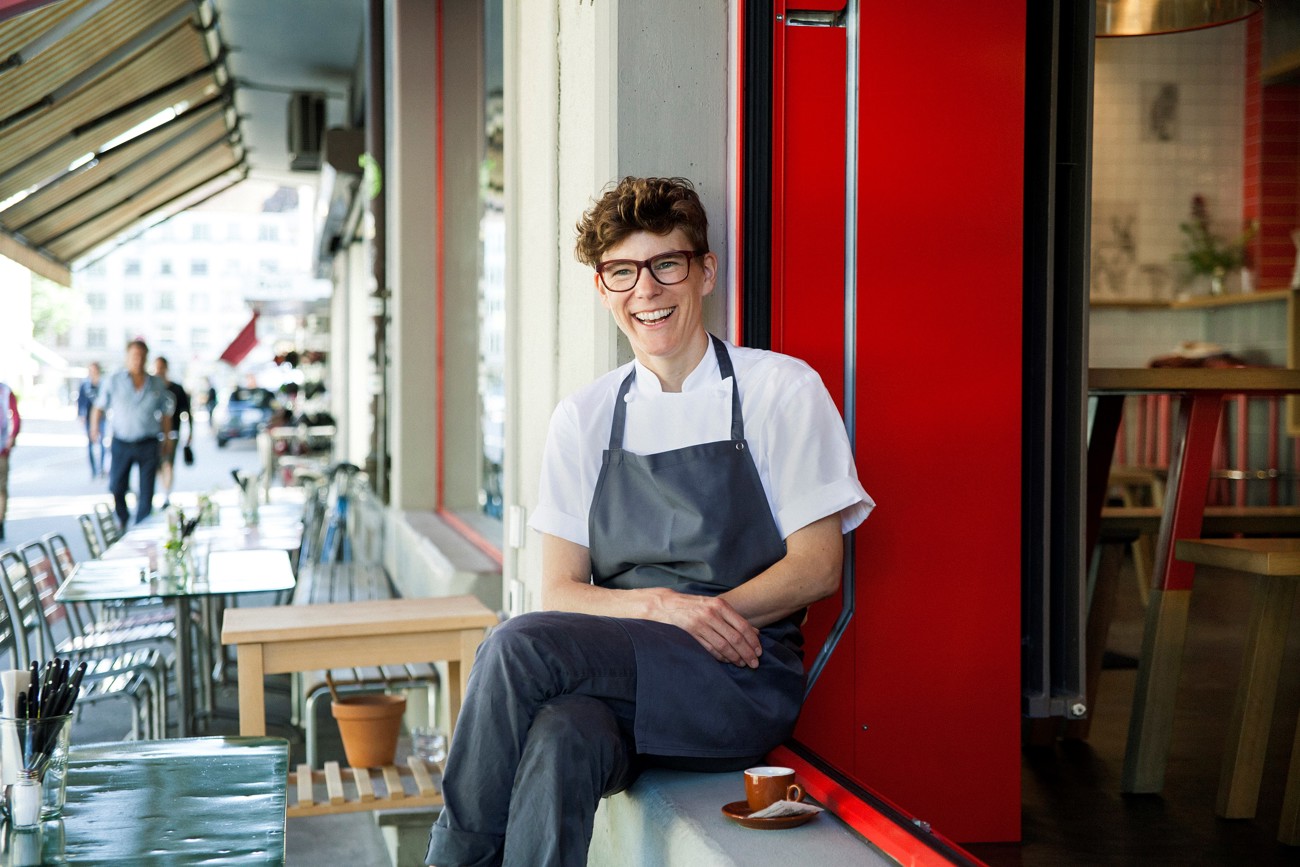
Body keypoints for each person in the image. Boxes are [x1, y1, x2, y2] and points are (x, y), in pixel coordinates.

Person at [425, 177, 874, 867]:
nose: (647, 290)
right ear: (603, 288)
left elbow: (818, 565)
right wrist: (667, 609)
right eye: (623, 272)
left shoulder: (780, 390)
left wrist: (706, 618)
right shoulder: (585, 417)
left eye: (667, 264)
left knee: (517, 647)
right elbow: (563, 590)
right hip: (624, 682)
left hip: (735, 679)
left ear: (704, 271)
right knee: (560, 735)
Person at [90, 339, 174, 527]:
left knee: (147, 491)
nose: (138, 360)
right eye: (135, 356)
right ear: (127, 357)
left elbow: (165, 414)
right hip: (122, 442)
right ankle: (123, 517)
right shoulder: (113, 381)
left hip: (148, 442)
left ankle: (140, 527)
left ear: (146, 359)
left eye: (142, 356)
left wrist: (167, 439)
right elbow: (99, 407)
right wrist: (94, 428)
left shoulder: (156, 384)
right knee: (116, 486)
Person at [153, 356, 192, 508]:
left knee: (168, 464)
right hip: (154, 434)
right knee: (157, 466)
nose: (159, 370)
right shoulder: (151, 387)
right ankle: (160, 492)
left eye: (161, 367)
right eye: (157, 367)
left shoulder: (176, 388)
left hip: (173, 432)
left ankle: (166, 494)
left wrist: (190, 433)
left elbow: (187, 412)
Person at [77, 361, 107, 479]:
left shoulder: (103, 384)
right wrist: (81, 415)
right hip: (89, 418)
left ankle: (101, 469)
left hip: (102, 418)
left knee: (103, 444)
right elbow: (80, 401)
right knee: (90, 444)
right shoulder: (85, 385)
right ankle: (94, 470)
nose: (92, 372)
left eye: (94, 370)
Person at [0, 380, 19, 542]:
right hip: (3, 447)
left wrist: (11, 438)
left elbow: (15, 418)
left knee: (1, 488)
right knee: (1, 489)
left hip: (2, 448)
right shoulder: (5, 390)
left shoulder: (5, 391)